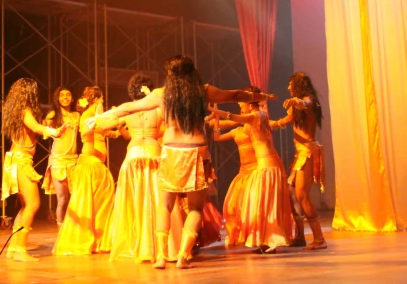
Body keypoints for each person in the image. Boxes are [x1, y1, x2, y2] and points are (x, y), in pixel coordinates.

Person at [88, 55, 275, 269]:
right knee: (195, 208)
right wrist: (260, 96)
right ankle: (183, 257)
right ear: (192, 72)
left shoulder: (161, 94)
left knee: (165, 205)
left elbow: (131, 107)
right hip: (196, 151)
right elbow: (234, 94)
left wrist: (102, 117)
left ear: (170, 74)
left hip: (171, 151)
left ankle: (160, 257)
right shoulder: (202, 90)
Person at [208, 87, 292, 253]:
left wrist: (216, 111)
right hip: (266, 164)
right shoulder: (258, 116)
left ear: (248, 102)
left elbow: (236, 117)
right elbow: (223, 129)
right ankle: (264, 241)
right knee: (260, 203)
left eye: (242, 102)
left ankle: (268, 240)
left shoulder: (255, 115)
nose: (241, 105)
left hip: (267, 164)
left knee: (262, 203)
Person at [0, 78, 65, 262]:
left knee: (25, 205)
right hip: (21, 161)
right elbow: (35, 127)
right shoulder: (25, 110)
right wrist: (54, 132)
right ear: (28, 92)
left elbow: (35, 128)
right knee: (33, 204)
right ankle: (20, 249)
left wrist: (48, 125)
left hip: (17, 161)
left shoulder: (18, 111)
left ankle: (14, 247)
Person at [53, 86, 118, 256]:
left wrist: (115, 132)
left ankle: (99, 239)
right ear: (96, 100)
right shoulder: (91, 116)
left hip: (95, 165)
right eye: (101, 99)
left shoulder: (91, 116)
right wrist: (120, 115)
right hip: (91, 165)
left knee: (100, 204)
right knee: (87, 204)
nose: (103, 102)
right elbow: (95, 132)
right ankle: (85, 239)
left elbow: (105, 131)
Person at [108, 73, 166, 262]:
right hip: (153, 152)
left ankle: (136, 242)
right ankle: (161, 246)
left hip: (133, 155)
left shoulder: (127, 111)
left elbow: (103, 126)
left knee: (134, 200)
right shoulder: (158, 110)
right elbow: (166, 131)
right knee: (158, 200)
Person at [271, 72, 327, 250]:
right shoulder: (296, 106)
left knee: (302, 195)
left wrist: (297, 102)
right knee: (292, 193)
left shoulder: (308, 100)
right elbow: (287, 120)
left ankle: (319, 239)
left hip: (308, 152)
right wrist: (269, 123)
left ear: (298, 85)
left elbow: (306, 104)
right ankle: (300, 236)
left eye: (290, 84)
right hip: (300, 153)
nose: (288, 88)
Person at [210, 103, 256, 247]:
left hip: (255, 170)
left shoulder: (252, 128)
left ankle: (254, 233)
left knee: (251, 204)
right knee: (233, 205)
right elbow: (216, 137)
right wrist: (217, 118)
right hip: (243, 171)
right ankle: (242, 232)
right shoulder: (236, 131)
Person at [42, 87, 80, 226]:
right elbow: (44, 126)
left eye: (68, 94)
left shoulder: (77, 115)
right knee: (63, 199)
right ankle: (61, 232)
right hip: (58, 160)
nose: (65, 97)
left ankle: (74, 230)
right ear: (58, 99)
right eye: (62, 95)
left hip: (74, 160)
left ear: (72, 98)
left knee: (76, 198)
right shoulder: (54, 114)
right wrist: (53, 129)